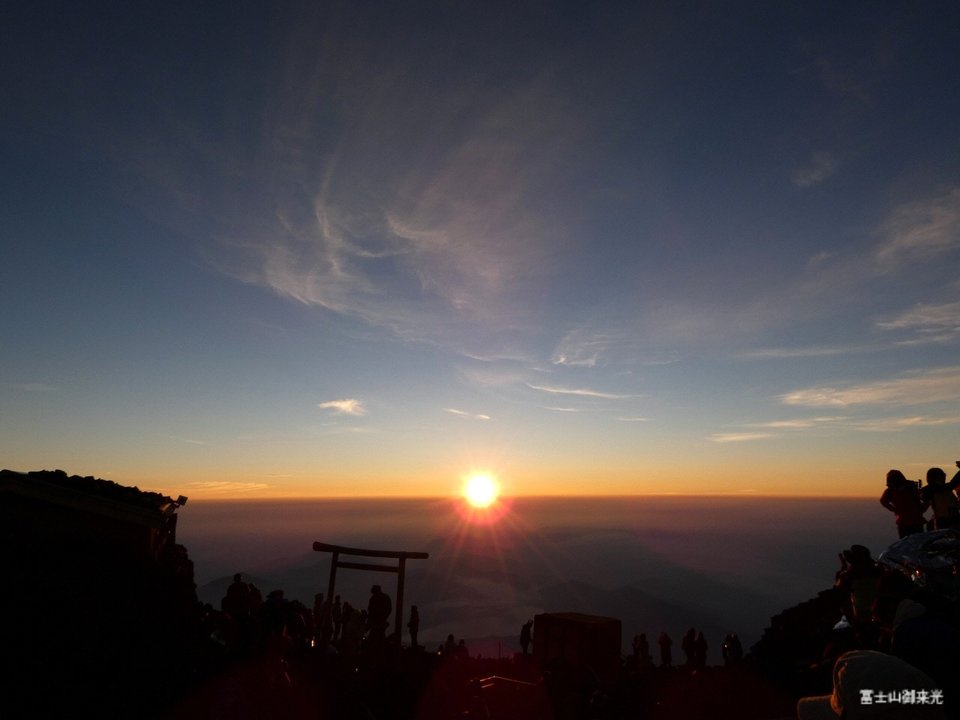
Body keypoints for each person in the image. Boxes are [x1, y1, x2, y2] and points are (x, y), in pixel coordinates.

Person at [880, 470, 928, 538]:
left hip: (907, 520)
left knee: (906, 542)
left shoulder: (892, 490)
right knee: (917, 542)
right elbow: (883, 501)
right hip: (913, 520)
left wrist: (894, 509)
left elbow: (883, 501)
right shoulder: (910, 487)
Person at [920, 463, 960, 530]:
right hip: (945, 522)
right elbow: (952, 484)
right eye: (943, 475)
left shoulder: (943, 489)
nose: (945, 477)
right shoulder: (934, 489)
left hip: (951, 520)